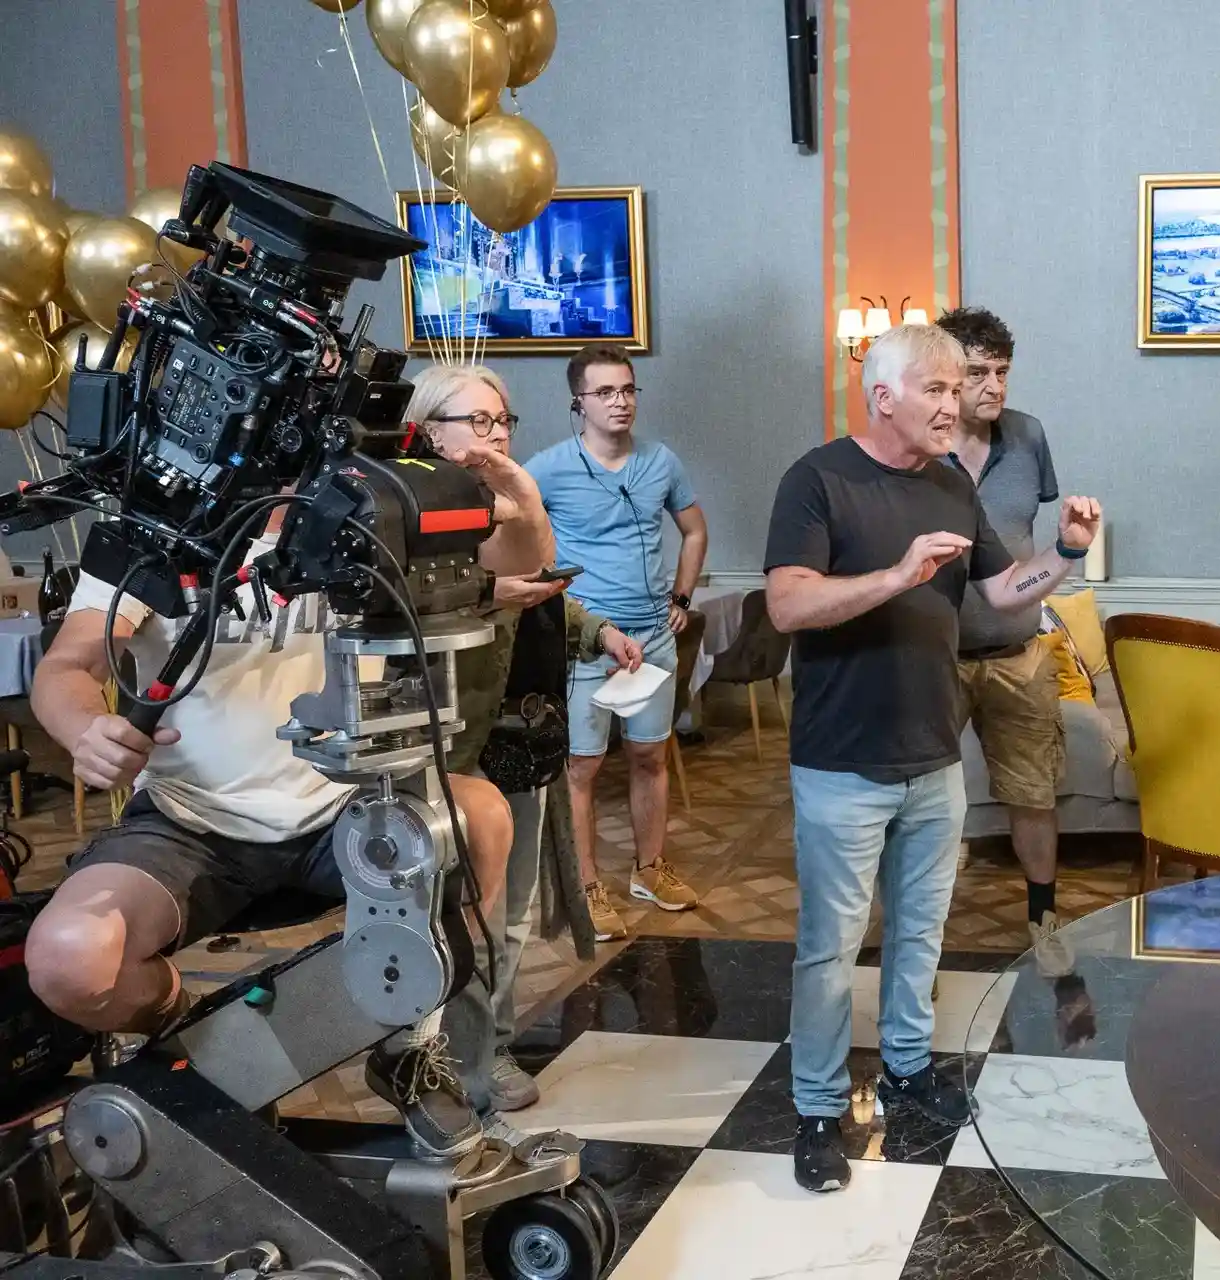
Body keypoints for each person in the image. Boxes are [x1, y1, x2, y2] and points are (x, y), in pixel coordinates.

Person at [23, 438, 552, 1159]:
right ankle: (190, 1026)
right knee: (70, 962)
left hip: (343, 803)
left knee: (482, 817)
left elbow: (521, 562)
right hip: (191, 819)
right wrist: (85, 728)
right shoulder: (154, 530)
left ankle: (411, 1042)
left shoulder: (362, 511)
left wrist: (521, 501)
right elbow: (69, 664)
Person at [763, 323, 1102, 1194]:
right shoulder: (818, 480)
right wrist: (896, 576)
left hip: (932, 756)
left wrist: (1064, 553)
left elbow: (1002, 591)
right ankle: (817, 1108)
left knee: (920, 933)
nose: (955, 405)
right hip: (842, 762)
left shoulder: (952, 483)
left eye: (959, 388)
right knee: (830, 949)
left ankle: (908, 1072)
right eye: (938, 390)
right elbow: (788, 605)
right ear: (884, 397)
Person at [406, 364, 646, 1118]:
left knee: (506, 915)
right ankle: (432, 1056)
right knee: (447, 913)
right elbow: (394, 609)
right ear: (428, 430)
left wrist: (597, 630)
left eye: (502, 419)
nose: (496, 434)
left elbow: (544, 593)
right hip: (448, 749)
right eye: (477, 421)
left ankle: (491, 1048)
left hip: (522, 739)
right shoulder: (403, 509)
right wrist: (487, 594)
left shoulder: (510, 506)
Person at [525, 343, 710, 941]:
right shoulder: (547, 468)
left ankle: (649, 870)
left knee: (651, 757)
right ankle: (585, 889)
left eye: (628, 389)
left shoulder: (661, 461)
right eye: (605, 392)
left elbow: (695, 531)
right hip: (588, 644)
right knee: (582, 767)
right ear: (577, 402)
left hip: (653, 638)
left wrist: (681, 598)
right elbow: (517, 544)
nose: (620, 401)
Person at [933, 306, 1074, 974]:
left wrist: (1068, 548)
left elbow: (1024, 536)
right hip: (933, 658)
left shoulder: (1028, 436)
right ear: (945, 375)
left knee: (1033, 795)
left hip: (1019, 653)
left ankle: (1044, 920)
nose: (994, 386)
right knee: (922, 805)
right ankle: (918, 941)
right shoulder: (920, 445)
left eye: (1002, 371)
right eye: (977, 372)